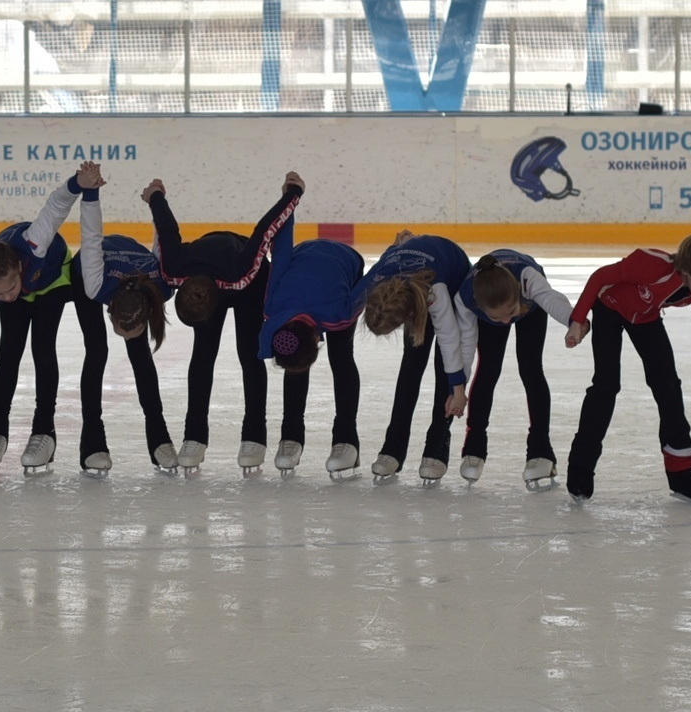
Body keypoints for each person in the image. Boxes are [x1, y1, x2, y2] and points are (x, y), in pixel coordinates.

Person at [564, 231, 691, 503]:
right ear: (687, 269)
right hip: (608, 309)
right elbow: (600, 277)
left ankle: (681, 471)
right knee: (606, 385)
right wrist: (578, 319)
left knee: (669, 386)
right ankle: (580, 467)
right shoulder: (649, 264)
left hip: (646, 319)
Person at [147, 172, 303, 473]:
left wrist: (293, 193)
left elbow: (266, 229)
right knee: (202, 356)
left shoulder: (242, 271)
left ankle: (254, 435)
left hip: (250, 279)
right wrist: (155, 195)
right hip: (204, 270)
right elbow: (167, 227)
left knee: (250, 353)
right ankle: (194, 435)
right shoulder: (175, 270)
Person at [0, 170, 87, 473]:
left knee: (42, 348)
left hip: (53, 276)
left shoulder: (36, 243)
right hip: (27, 283)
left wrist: (77, 184)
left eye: (9, 288)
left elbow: (56, 206)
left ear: (18, 267)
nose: (5, 297)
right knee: (9, 349)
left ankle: (44, 431)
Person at [74, 164, 176, 474]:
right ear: (108, 310)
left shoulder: (162, 286)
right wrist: (90, 192)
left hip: (134, 262)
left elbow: (165, 240)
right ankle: (92, 442)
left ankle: (159, 438)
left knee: (140, 355)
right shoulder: (96, 285)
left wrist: (158, 200)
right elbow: (91, 238)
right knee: (97, 351)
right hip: (87, 267)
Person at [357, 231, 477, 483]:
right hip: (417, 272)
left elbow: (451, 342)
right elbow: (389, 256)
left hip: (451, 273)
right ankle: (393, 448)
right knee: (410, 367)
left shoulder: (437, 292)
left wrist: (459, 389)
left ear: (409, 313)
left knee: (444, 368)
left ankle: (436, 447)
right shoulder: (375, 281)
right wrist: (400, 245)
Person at [257, 219, 366, 478]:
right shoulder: (273, 309)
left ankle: (347, 440)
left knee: (341, 357)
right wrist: (289, 206)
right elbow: (281, 255)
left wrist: (393, 253)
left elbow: (370, 282)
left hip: (345, 263)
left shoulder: (340, 311)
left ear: (318, 336)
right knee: (294, 361)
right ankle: (291, 436)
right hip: (305, 256)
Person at [463, 250, 575, 489]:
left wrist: (574, 322)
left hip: (530, 309)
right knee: (488, 369)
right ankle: (473, 447)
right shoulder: (467, 298)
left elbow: (550, 298)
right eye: (497, 319)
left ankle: (541, 451)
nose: (506, 323)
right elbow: (463, 348)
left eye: (510, 314)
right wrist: (457, 386)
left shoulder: (529, 281)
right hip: (496, 303)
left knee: (531, 368)